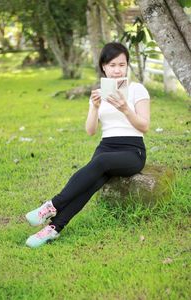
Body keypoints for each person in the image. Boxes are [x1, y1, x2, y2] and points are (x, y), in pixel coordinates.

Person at [25, 42, 150, 248]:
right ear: (103, 67)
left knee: (100, 161)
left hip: (132, 151)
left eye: (122, 64)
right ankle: (53, 229)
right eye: (112, 65)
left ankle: (52, 205)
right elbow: (91, 131)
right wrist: (94, 106)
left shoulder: (137, 89)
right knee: (89, 185)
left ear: (127, 66)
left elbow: (144, 126)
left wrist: (126, 109)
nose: (117, 70)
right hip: (106, 148)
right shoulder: (99, 93)